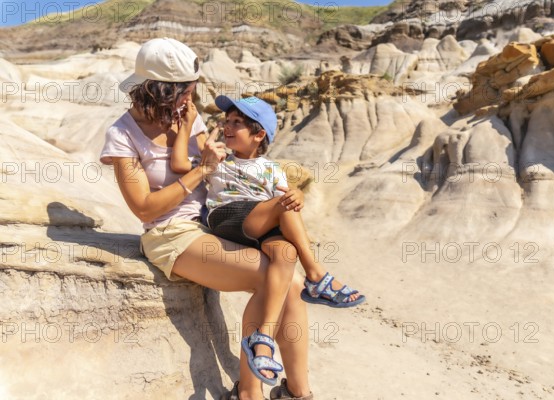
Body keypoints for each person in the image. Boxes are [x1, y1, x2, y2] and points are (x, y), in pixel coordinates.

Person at [100, 37, 313, 400]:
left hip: (211, 222)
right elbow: (144, 208)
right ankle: (250, 393)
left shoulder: (187, 116)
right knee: (269, 277)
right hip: (171, 233)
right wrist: (200, 172)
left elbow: (221, 167)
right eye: (185, 91)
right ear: (161, 90)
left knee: (289, 282)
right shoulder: (122, 135)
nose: (191, 99)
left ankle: (298, 391)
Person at [170, 95, 366, 384]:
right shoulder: (219, 157)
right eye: (227, 120)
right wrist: (188, 126)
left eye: (237, 123)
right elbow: (177, 164)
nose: (227, 126)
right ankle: (316, 275)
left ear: (258, 134)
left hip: (261, 224)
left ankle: (263, 338)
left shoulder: (271, 168)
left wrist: (297, 195)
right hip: (227, 216)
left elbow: (287, 198)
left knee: (285, 253)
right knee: (282, 205)